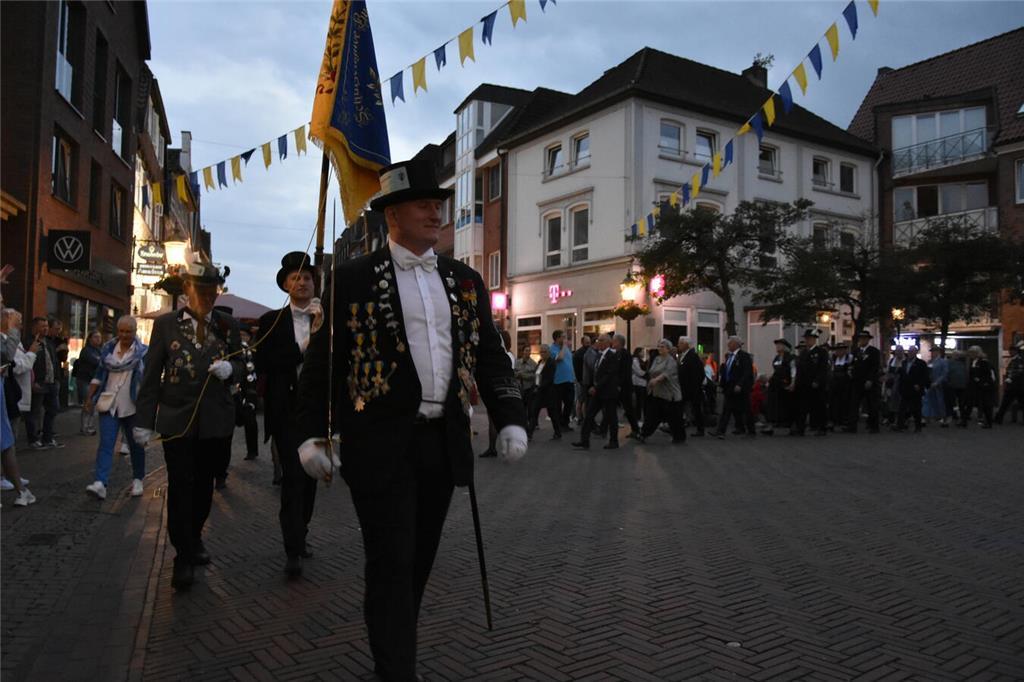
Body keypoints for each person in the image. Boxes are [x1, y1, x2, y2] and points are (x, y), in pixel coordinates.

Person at [293, 159, 528, 682]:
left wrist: (509, 416)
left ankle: (393, 638)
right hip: (380, 445)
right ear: (391, 214)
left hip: (442, 446)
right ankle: (396, 668)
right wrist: (312, 433)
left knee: (416, 560)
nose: (436, 212)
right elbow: (322, 366)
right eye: (423, 204)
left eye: (438, 204)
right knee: (392, 560)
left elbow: (489, 354)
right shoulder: (352, 278)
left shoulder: (465, 280)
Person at [134, 262, 244, 590]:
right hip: (177, 419)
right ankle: (182, 555)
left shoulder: (227, 325)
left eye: (213, 291)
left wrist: (232, 368)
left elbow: (243, 361)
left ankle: (194, 537)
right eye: (202, 291)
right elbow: (152, 374)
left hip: (215, 420)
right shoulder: (166, 326)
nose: (208, 297)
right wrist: (143, 421)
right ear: (187, 292)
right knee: (181, 484)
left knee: (205, 485)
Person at [255, 251, 323, 577]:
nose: (302, 283)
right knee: (293, 480)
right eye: (295, 278)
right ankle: (292, 548)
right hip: (286, 414)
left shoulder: (327, 319)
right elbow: (263, 362)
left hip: (318, 414)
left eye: (307, 278)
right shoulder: (271, 322)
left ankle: (303, 531)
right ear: (285, 285)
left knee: (311, 479)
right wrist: (300, 350)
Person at [83, 316, 148, 500]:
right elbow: (98, 375)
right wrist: (89, 397)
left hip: (132, 406)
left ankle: (138, 479)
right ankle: (100, 482)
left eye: (128, 331)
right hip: (109, 405)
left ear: (135, 332)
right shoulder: (107, 351)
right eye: (122, 331)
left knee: (136, 446)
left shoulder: (143, 353)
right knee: (106, 444)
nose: (125, 335)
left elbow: (148, 381)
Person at [573, 333, 620, 450]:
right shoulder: (599, 355)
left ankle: (614, 441)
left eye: (602, 340)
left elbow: (608, 375)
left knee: (611, 417)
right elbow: (596, 373)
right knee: (589, 415)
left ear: (608, 342)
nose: (599, 342)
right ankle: (584, 441)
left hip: (608, 393)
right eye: (598, 340)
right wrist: (592, 386)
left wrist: (596, 387)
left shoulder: (612, 355)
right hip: (598, 393)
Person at [637, 339, 685, 443]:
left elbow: (666, 374)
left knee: (674, 418)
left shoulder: (671, 360)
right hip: (658, 393)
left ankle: (679, 437)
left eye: (662, 346)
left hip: (670, 394)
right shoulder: (657, 359)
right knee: (652, 416)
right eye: (659, 346)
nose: (660, 348)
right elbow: (651, 371)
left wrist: (655, 380)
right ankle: (643, 434)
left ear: (668, 349)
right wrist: (650, 381)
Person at [29, 317, 63, 449]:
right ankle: (33, 439)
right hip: (39, 383)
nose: (46, 328)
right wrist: (33, 381)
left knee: (53, 409)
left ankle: (48, 438)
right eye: (42, 326)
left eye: (46, 326)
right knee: (34, 412)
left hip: (52, 382)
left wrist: (57, 379)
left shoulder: (49, 342)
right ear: (35, 327)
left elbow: (55, 362)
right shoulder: (30, 342)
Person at [716, 335, 755, 439]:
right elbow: (726, 371)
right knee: (727, 409)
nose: (728, 344)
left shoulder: (744, 356)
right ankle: (721, 430)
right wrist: (722, 384)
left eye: (730, 342)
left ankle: (751, 430)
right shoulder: (729, 356)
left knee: (746, 409)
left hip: (740, 388)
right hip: (730, 387)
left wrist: (740, 384)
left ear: (736, 344)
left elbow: (747, 372)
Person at [792, 329, 829, 437]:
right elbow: (799, 369)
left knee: (818, 407)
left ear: (814, 339)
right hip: (803, 384)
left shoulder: (821, 352)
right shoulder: (803, 353)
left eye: (810, 339)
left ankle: (821, 428)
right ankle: (800, 428)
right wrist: (796, 383)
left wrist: (817, 381)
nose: (808, 341)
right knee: (802, 407)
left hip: (815, 384)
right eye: (806, 339)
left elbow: (823, 369)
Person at [846, 330, 881, 433]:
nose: (862, 340)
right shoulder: (856, 351)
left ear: (868, 340)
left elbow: (875, 367)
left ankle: (874, 426)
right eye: (861, 338)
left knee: (871, 405)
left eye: (864, 339)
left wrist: (870, 379)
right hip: (857, 381)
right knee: (854, 404)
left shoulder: (873, 351)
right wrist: (850, 370)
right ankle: (852, 426)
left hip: (868, 381)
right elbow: (852, 364)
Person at [236, 326, 260, 461]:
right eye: (239, 335)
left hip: (249, 390)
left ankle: (252, 450)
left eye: (244, 335)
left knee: (250, 422)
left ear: (249, 337)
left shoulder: (253, 353)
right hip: (235, 391)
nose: (242, 338)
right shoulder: (233, 351)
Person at [527, 345, 561, 439]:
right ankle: (529, 434)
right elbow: (536, 376)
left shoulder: (551, 363)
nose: (542, 354)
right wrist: (535, 387)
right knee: (534, 412)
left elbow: (549, 378)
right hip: (539, 392)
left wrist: (540, 387)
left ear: (548, 353)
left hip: (548, 392)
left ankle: (558, 432)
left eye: (544, 352)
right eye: (541, 352)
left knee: (552, 414)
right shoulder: (539, 362)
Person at [611, 334, 640, 438]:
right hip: (619, 386)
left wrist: (619, 385)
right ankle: (604, 428)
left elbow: (625, 372)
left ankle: (636, 429)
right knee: (613, 407)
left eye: (614, 341)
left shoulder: (625, 354)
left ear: (618, 342)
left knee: (628, 409)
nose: (612, 343)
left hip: (625, 387)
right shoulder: (617, 353)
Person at [73, 330, 102, 435]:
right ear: (90, 339)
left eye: (99, 337)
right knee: (88, 403)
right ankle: (85, 427)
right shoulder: (86, 350)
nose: (98, 339)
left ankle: (89, 426)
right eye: (95, 337)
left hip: (94, 381)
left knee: (92, 404)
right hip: (85, 380)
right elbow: (97, 361)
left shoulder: (99, 350)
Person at [763, 338, 794, 436]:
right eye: (777, 345)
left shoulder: (790, 358)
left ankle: (790, 426)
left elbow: (794, 371)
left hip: (785, 384)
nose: (777, 347)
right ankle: (770, 425)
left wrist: (793, 383)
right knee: (771, 404)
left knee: (786, 406)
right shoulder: (776, 358)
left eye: (780, 345)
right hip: (775, 384)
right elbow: (776, 371)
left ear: (785, 347)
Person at [895, 346, 929, 432]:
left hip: (915, 389)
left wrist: (920, 385)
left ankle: (918, 426)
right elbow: (901, 375)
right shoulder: (904, 363)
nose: (910, 353)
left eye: (912, 352)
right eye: (909, 351)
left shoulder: (921, 363)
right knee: (902, 408)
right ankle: (900, 426)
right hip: (905, 389)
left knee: (916, 409)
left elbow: (924, 376)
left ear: (916, 353)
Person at [960, 345, 995, 428]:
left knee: (985, 404)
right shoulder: (973, 361)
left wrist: (980, 381)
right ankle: (964, 421)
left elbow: (988, 374)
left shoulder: (983, 362)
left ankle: (989, 422)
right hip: (973, 386)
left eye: (972, 353)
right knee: (968, 403)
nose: (970, 354)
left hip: (981, 386)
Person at [676, 337, 705, 437]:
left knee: (696, 409)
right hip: (684, 388)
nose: (678, 345)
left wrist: (695, 386)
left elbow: (698, 373)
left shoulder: (692, 356)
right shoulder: (682, 356)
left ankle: (700, 429)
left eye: (680, 343)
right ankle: (677, 426)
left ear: (686, 345)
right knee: (680, 407)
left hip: (692, 389)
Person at [549, 329, 576, 430]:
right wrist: (564, 346)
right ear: (557, 338)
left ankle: (565, 422)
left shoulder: (566, 349)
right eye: (563, 337)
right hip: (559, 381)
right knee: (558, 404)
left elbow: (570, 362)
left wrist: (574, 376)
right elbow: (559, 358)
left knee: (569, 402)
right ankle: (560, 424)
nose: (565, 339)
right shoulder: (552, 349)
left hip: (569, 380)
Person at [994, 341, 1024, 425]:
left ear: (1016, 351)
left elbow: (1019, 371)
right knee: (1006, 403)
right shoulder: (1013, 360)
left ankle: (999, 418)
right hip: (1014, 386)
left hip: (1017, 385)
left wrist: (1010, 378)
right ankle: (999, 418)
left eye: (1011, 351)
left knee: (1006, 403)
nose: (1010, 352)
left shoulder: (1019, 360)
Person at [828, 342, 852, 431]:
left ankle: (844, 421)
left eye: (841, 350)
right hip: (834, 383)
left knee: (844, 402)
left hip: (845, 383)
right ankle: (833, 421)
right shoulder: (833, 358)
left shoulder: (849, 358)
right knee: (833, 402)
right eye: (838, 350)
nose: (839, 352)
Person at [924, 345, 949, 427]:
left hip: (939, 385)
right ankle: (928, 417)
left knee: (940, 401)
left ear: (938, 352)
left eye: (934, 351)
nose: (932, 353)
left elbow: (944, 373)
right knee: (928, 400)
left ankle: (943, 418)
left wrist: (938, 382)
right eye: (931, 352)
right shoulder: (930, 362)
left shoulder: (943, 361)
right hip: (930, 384)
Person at [514, 345, 538, 427]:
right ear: (523, 351)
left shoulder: (533, 364)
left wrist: (523, 375)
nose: (527, 352)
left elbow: (534, 376)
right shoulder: (517, 362)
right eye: (526, 350)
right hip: (519, 389)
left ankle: (531, 424)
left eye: (529, 350)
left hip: (529, 388)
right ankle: (522, 422)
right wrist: (518, 374)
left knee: (530, 408)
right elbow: (513, 373)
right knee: (521, 407)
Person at [883, 345, 905, 426]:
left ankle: (900, 420)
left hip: (901, 385)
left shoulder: (905, 361)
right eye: (897, 351)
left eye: (900, 351)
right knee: (889, 401)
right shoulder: (891, 360)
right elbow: (888, 372)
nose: (899, 353)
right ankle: (890, 418)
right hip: (891, 384)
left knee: (900, 402)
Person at [572, 335, 592, 424]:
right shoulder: (579, 353)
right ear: (582, 342)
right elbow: (576, 369)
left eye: (589, 342)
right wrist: (580, 380)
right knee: (581, 400)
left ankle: (582, 417)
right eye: (587, 342)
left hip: (586, 380)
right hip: (582, 380)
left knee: (584, 400)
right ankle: (580, 417)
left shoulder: (588, 351)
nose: (589, 344)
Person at [946, 350, 969, 424]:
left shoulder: (950, 363)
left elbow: (947, 373)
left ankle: (956, 416)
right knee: (959, 403)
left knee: (954, 402)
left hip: (955, 386)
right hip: (960, 386)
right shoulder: (962, 364)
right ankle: (960, 418)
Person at [631, 347, 647, 426]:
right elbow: (638, 371)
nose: (643, 353)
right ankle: (637, 418)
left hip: (643, 383)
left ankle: (640, 417)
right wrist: (646, 375)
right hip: (637, 383)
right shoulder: (635, 360)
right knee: (638, 402)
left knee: (642, 402)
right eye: (642, 352)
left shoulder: (641, 360)